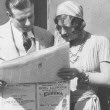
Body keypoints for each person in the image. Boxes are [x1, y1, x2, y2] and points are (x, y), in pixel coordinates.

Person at [54, 0, 110, 110]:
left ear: (79, 25)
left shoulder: (99, 42)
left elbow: (108, 79)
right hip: (61, 103)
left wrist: (80, 73)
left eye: (66, 27)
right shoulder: (59, 43)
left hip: (86, 104)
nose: (62, 32)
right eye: (59, 27)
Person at [0, 0, 54, 87]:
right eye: (21, 19)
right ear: (9, 15)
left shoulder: (47, 36)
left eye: (30, 16)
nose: (28, 23)